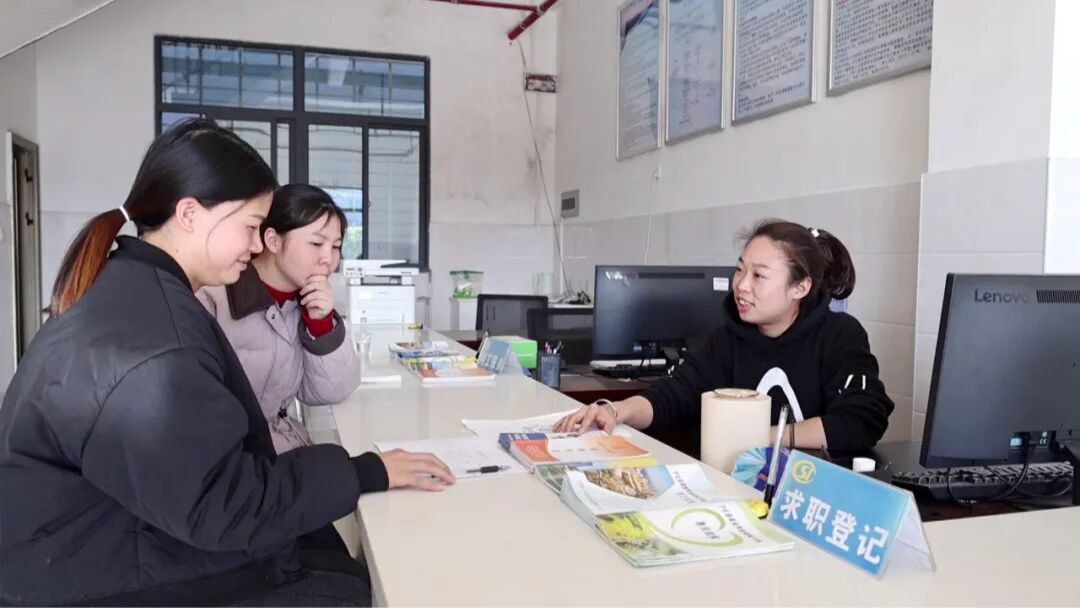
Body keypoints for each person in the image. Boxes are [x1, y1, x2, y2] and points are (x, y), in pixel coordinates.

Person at [0, 119, 453, 608]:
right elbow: (222, 506)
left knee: (324, 545)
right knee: (342, 587)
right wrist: (362, 472)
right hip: (81, 571)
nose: (257, 245)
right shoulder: (160, 339)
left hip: (90, 539)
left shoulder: (137, 291)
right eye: (251, 228)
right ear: (190, 214)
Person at [555, 219, 894, 453]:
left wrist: (761, 437)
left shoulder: (839, 335)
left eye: (759, 276)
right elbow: (673, 395)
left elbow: (861, 420)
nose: (741, 286)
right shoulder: (725, 339)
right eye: (739, 270)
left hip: (805, 495)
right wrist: (615, 410)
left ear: (800, 287)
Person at [198, 184, 358, 455]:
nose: (328, 259)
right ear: (272, 241)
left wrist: (321, 324)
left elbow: (331, 392)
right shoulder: (213, 296)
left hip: (279, 446)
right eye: (316, 244)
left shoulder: (305, 303)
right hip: (224, 454)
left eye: (336, 247)